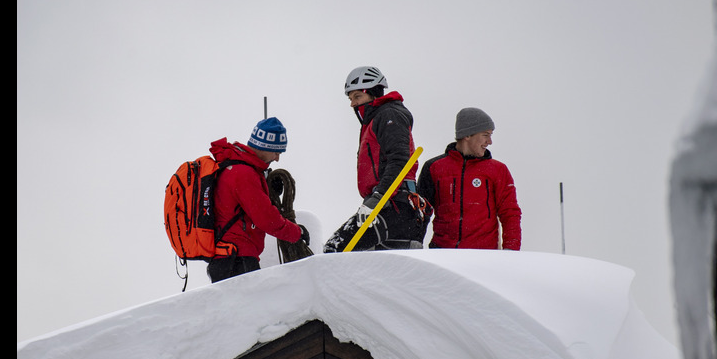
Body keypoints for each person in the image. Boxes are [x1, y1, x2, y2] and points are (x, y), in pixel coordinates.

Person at [323, 66, 430, 253]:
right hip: (392, 204)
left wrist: (378, 197)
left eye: (357, 97)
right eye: (350, 99)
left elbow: (399, 160)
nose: (352, 104)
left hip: (393, 203)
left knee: (335, 249)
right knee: (383, 268)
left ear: (373, 94)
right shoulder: (375, 119)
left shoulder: (389, 115)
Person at [207, 117, 310, 282]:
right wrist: (297, 232)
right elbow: (267, 219)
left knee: (239, 307)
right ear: (263, 146)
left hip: (226, 258)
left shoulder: (235, 168)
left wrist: (266, 189)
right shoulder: (243, 173)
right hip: (237, 259)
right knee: (249, 307)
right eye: (276, 152)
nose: (277, 158)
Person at [417, 107, 522, 250]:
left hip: (483, 256)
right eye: (485, 135)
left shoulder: (498, 170)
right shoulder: (434, 167)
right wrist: (414, 244)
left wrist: (511, 250)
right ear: (467, 135)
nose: (490, 141)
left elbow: (510, 213)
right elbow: (420, 213)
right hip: (442, 254)